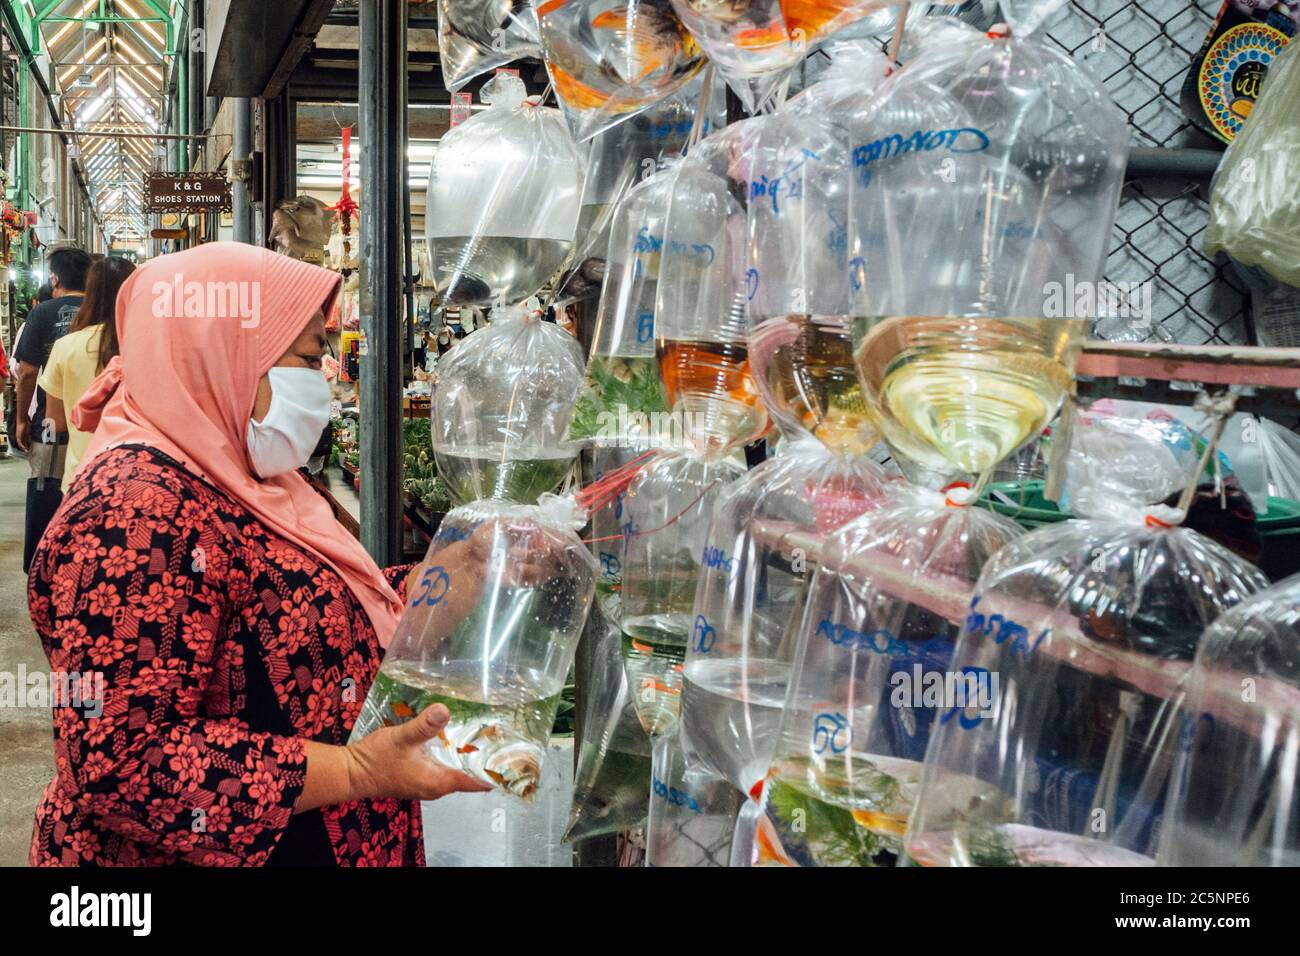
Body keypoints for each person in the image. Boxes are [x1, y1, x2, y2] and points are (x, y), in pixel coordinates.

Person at [28, 242, 498, 867]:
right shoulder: (135, 512)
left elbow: (287, 613)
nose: (322, 377)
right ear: (222, 352)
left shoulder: (239, 471)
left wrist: (440, 577)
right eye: (307, 357)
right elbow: (119, 760)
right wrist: (357, 771)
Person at [12, 247, 91, 570]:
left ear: (55, 278)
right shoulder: (103, 311)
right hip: (98, 424)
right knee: (87, 492)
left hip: (50, 422)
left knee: (45, 489)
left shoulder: (42, 313)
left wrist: (20, 420)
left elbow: (28, 372)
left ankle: (41, 564)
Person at [37, 257, 136, 492]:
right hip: (137, 481)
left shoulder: (66, 346)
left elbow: (56, 421)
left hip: (81, 478)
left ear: (90, 294)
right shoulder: (150, 344)